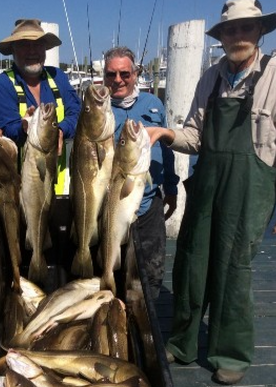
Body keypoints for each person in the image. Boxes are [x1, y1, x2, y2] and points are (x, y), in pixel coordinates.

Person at [146, 0, 276, 384]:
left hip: (250, 189)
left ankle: (229, 352)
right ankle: (183, 341)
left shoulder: (273, 74)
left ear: (259, 32)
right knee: (191, 261)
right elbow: (195, 137)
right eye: (230, 30)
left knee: (233, 268)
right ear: (221, 37)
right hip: (207, 185)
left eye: (245, 28)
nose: (237, 36)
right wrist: (165, 134)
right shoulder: (211, 79)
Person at [103, 46, 179, 300]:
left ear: (135, 74)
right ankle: (112, 309)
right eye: (111, 74)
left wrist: (171, 187)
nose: (118, 80)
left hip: (149, 204)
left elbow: (167, 150)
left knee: (150, 271)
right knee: (114, 262)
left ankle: (145, 319)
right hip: (113, 203)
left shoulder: (154, 104)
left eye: (124, 74)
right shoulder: (100, 109)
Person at [0, 18, 81, 195]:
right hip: (16, 194)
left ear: (45, 49)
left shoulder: (58, 77)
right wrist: (24, 128)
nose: (32, 51)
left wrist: (60, 130)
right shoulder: (0, 86)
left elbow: (77, 114)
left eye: (38, 45)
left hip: (60, 190)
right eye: (24, 45)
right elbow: (6, 128)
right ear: (12, 50)